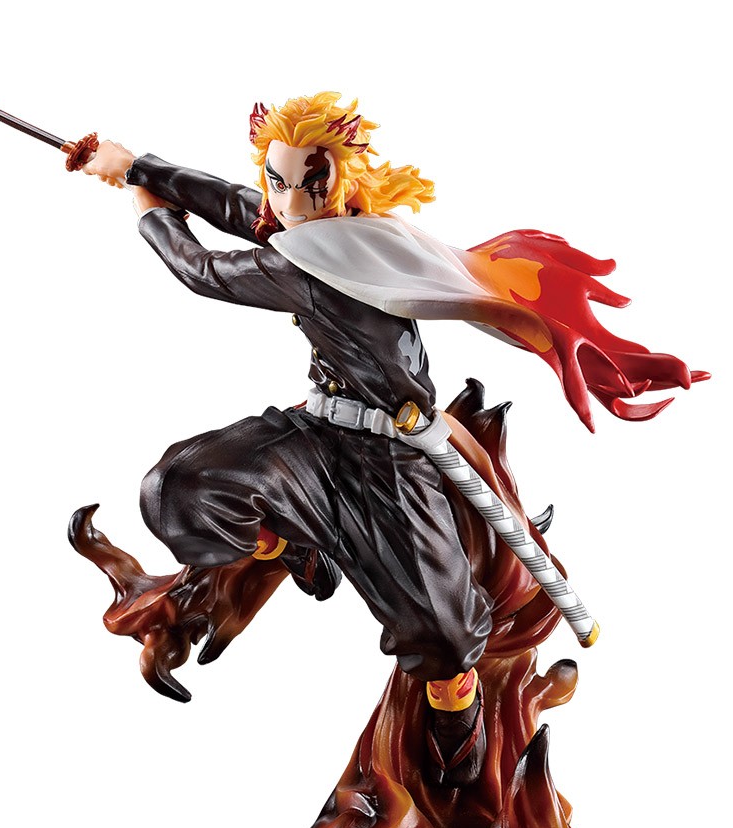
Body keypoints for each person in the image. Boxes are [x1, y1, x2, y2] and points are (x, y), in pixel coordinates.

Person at [67, 92, 703, 786]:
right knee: (179, 487)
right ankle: (298, 543)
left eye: (311, 184)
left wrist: (145, 202)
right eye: (278, 180)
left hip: (390, 460)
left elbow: (204, 271)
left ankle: (459, 749)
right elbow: (242, 207)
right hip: (319, 431)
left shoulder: (329, 259)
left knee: (442, 633)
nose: (291, 202)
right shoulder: (331, 232)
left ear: (342, 183)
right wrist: (139, 166)